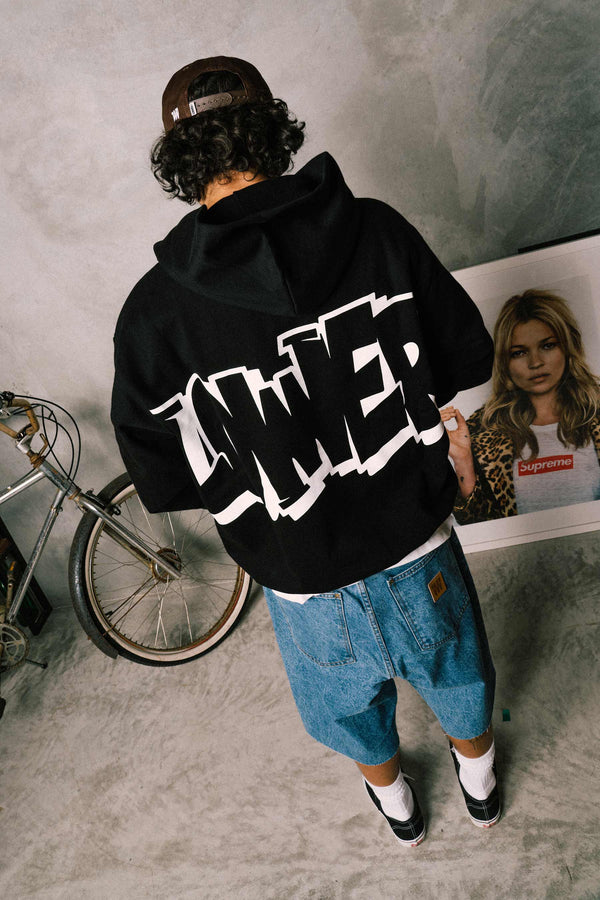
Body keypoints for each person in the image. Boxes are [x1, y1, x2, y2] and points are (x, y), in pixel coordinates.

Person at [111, 56, 501, 846]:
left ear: (183, 165)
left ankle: (400, 812)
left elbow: (159, 470)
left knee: (347, 713)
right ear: (271, 131)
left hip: (299, 575)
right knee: (459, 676)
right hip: (415, 537)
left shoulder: (154, 311)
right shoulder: (377, 229)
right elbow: (464, 355)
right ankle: (482, 788)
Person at [442, 289, 600, 525]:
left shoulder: (596, 414)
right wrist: (463, 460)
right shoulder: (480, 431)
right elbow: (478, 527)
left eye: (547, 346)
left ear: (568, 347)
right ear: (505, 361)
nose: (535, 362)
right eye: (519, 352)